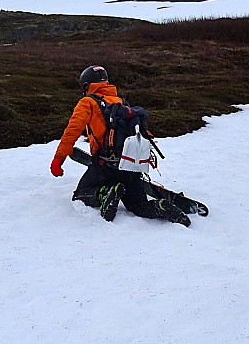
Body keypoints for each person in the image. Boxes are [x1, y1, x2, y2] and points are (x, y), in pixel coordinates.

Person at [50, 65, 190, 226]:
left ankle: (105, 194)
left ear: (87, 85)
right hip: (130, 165)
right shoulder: (120, 102)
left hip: (105, 165)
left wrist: (58, 159)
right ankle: (160, 207)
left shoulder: (87, 102)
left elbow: (71, 132)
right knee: (137, 205)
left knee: (81, 194)